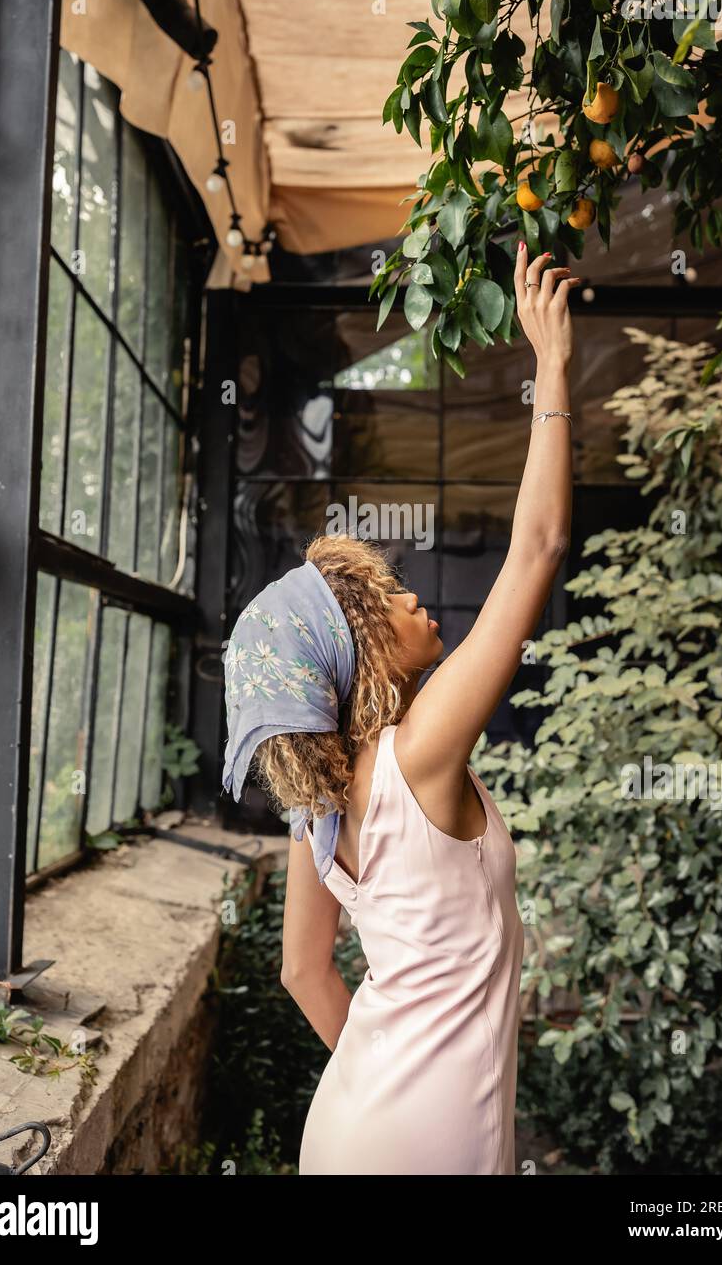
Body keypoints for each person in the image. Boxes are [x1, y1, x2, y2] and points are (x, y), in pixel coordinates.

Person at [221, 240, 578, 1175]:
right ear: (356, 654)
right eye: (379, 603)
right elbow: (536, 550)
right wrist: (551, 368)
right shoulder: (418, 753)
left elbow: (305, 972)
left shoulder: (323, 803)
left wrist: (386, 1087)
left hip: (354, 1126)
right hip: (435, 1141)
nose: (408, 596)